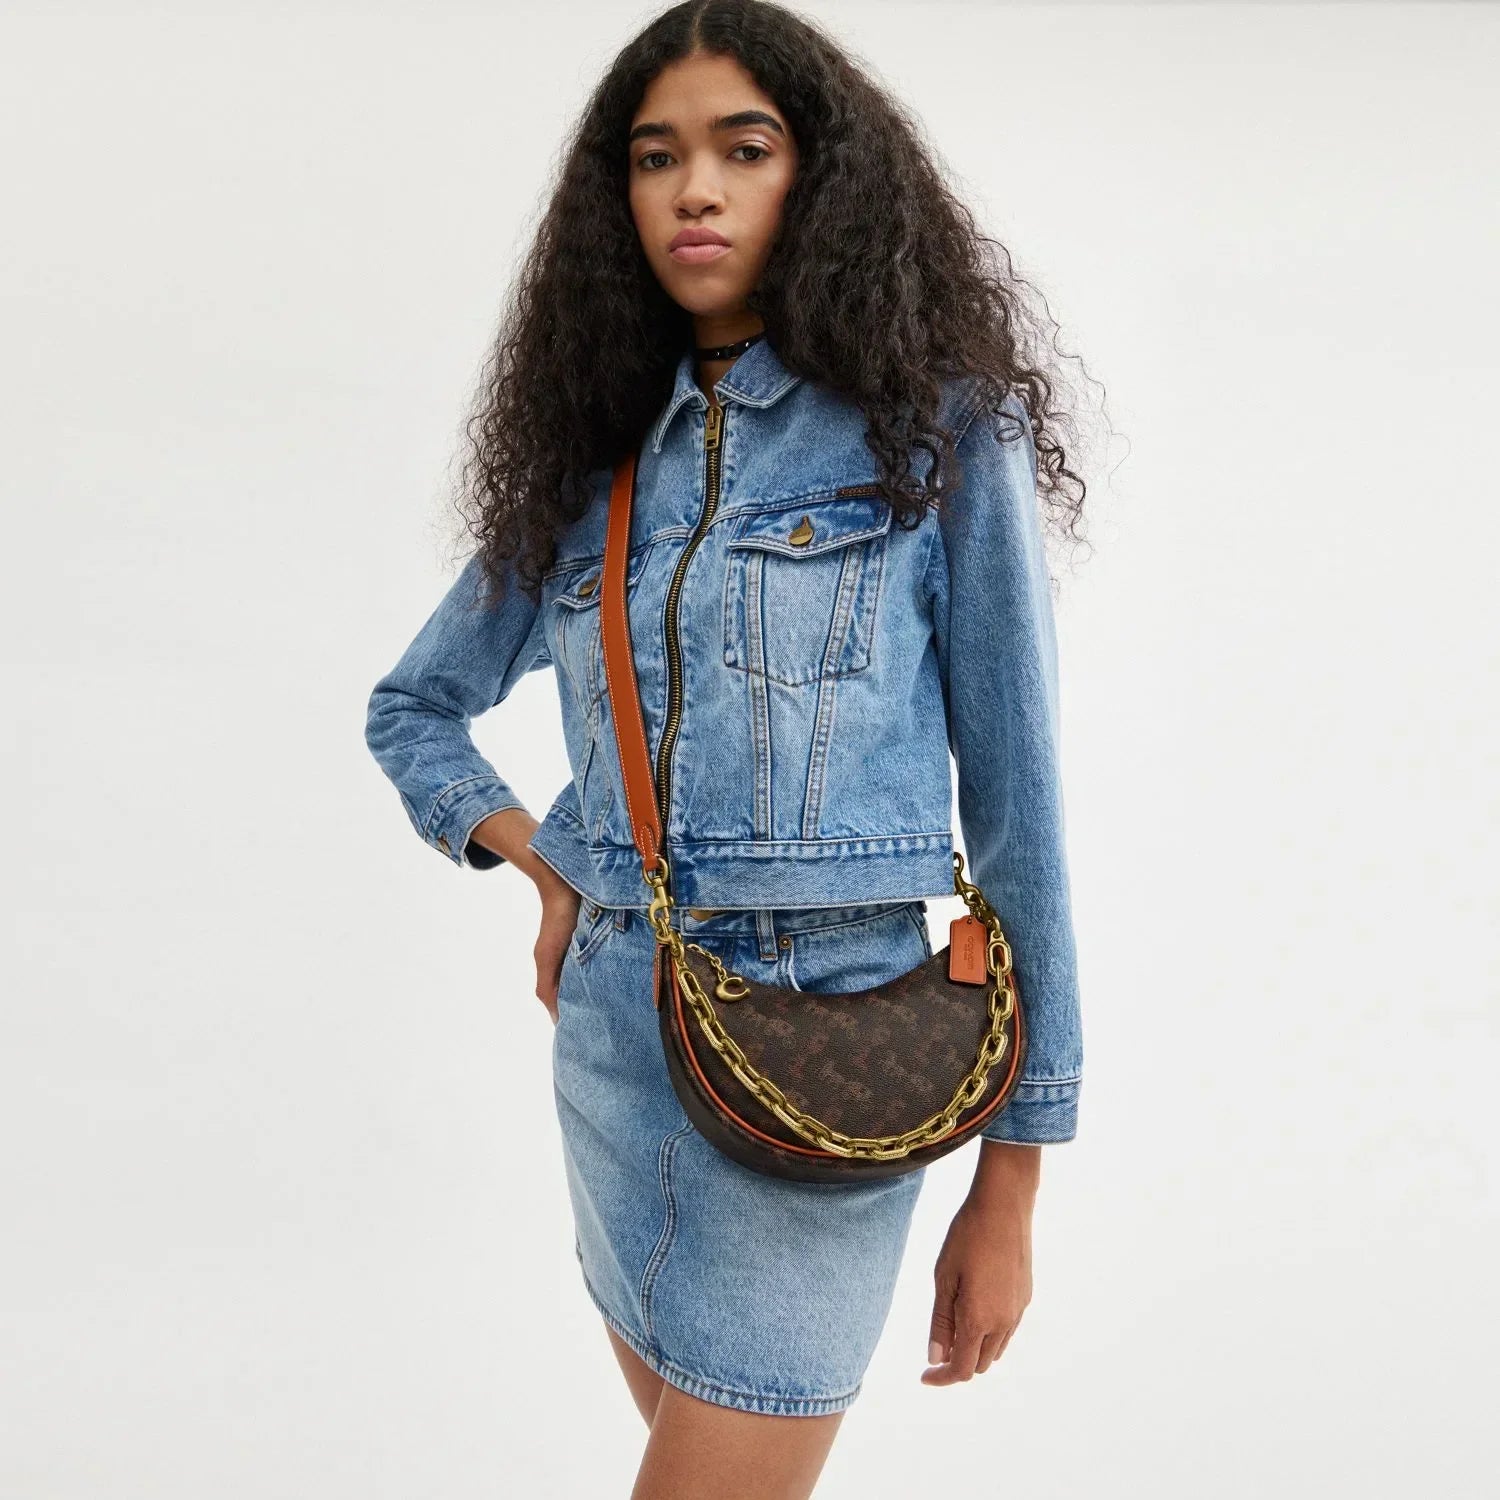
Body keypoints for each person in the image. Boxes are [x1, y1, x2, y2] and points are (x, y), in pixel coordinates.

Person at [364, 2, 1090, 1494]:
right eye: (656, 157)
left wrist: (1013, 1180)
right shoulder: (588, 461)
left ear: (817, 174)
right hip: (616, 1041)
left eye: (742, 149)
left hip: (838, 1049)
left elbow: (1020, 812)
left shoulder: (936, 431)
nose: (695, 188)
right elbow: (414, 707)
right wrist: (548, 864)